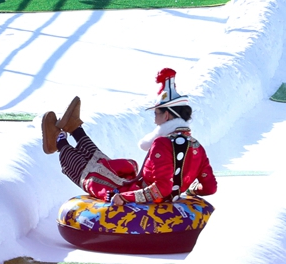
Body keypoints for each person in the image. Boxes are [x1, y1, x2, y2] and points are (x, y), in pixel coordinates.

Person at [41, 68, 217, 205]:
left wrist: (125, 198)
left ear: (167, 116)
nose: (154, 120)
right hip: (142, 187)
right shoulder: (197, 147)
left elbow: (161, 188)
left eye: (156, 113)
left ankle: (59, 140)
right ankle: (75, 129)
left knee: (95, 175)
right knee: (111, 164)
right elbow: (210, 187)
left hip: (135, 194)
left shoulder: (163, 144)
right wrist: (192, 190)